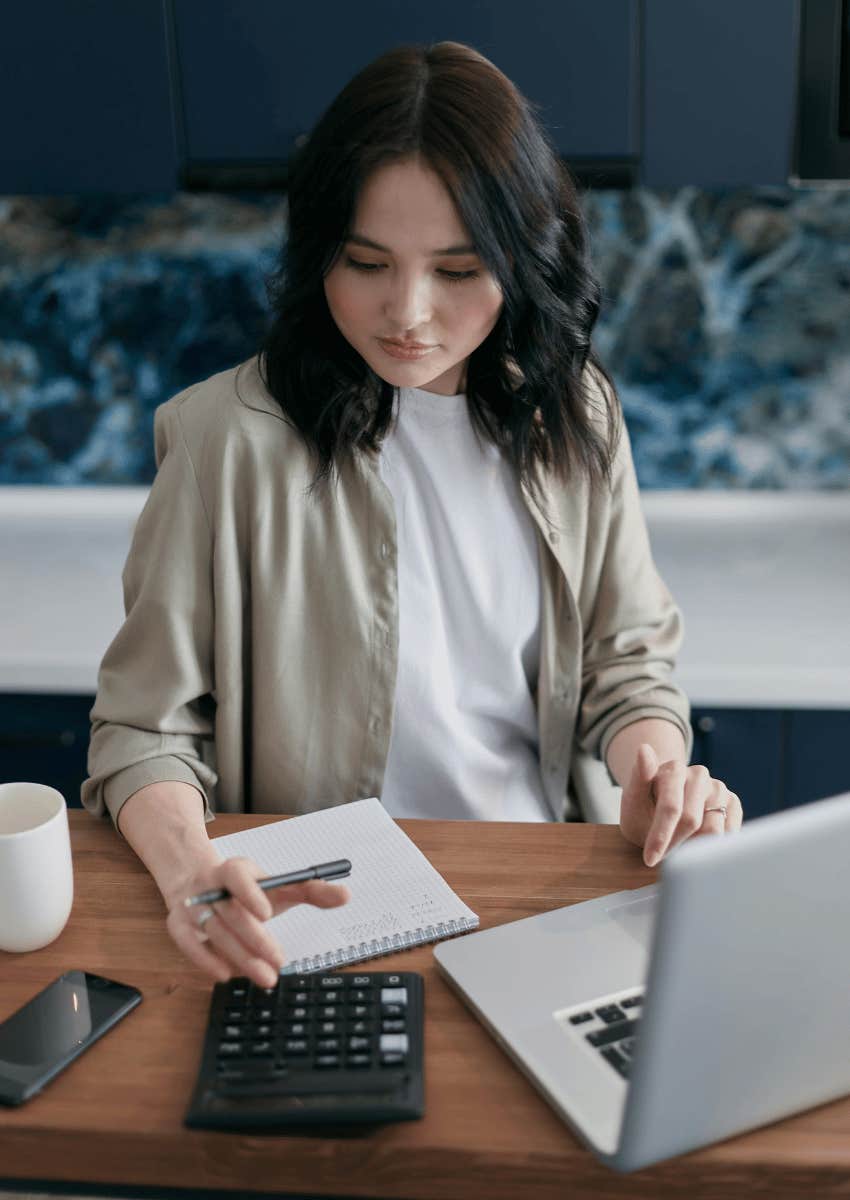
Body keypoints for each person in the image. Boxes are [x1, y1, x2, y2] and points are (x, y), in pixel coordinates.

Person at [82, 41, 742, 990]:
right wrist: (192, 874)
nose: (407, 314)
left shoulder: (575, 411)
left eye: (459, 270)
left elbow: (627, 663)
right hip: (316, 918)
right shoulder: (225, 438)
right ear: (322, 251)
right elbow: (142, 733)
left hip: (535, 893)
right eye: (366, 262)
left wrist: (655, 776)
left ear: (524, 261)